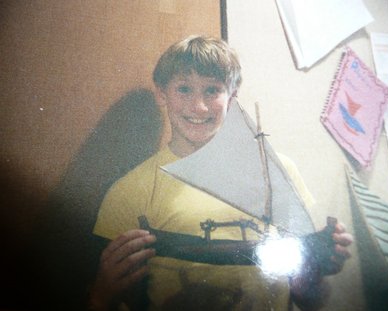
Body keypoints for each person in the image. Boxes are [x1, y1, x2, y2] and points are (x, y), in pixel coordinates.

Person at [89, 35, 353, 311]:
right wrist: (101, 294)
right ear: (161, 94)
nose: (199, 107)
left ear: (233, 96)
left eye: (212, 90)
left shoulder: (279, 173)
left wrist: (319, 265)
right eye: (184, 89)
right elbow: (108, 301)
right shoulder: (129, 193)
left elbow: (311, 299)